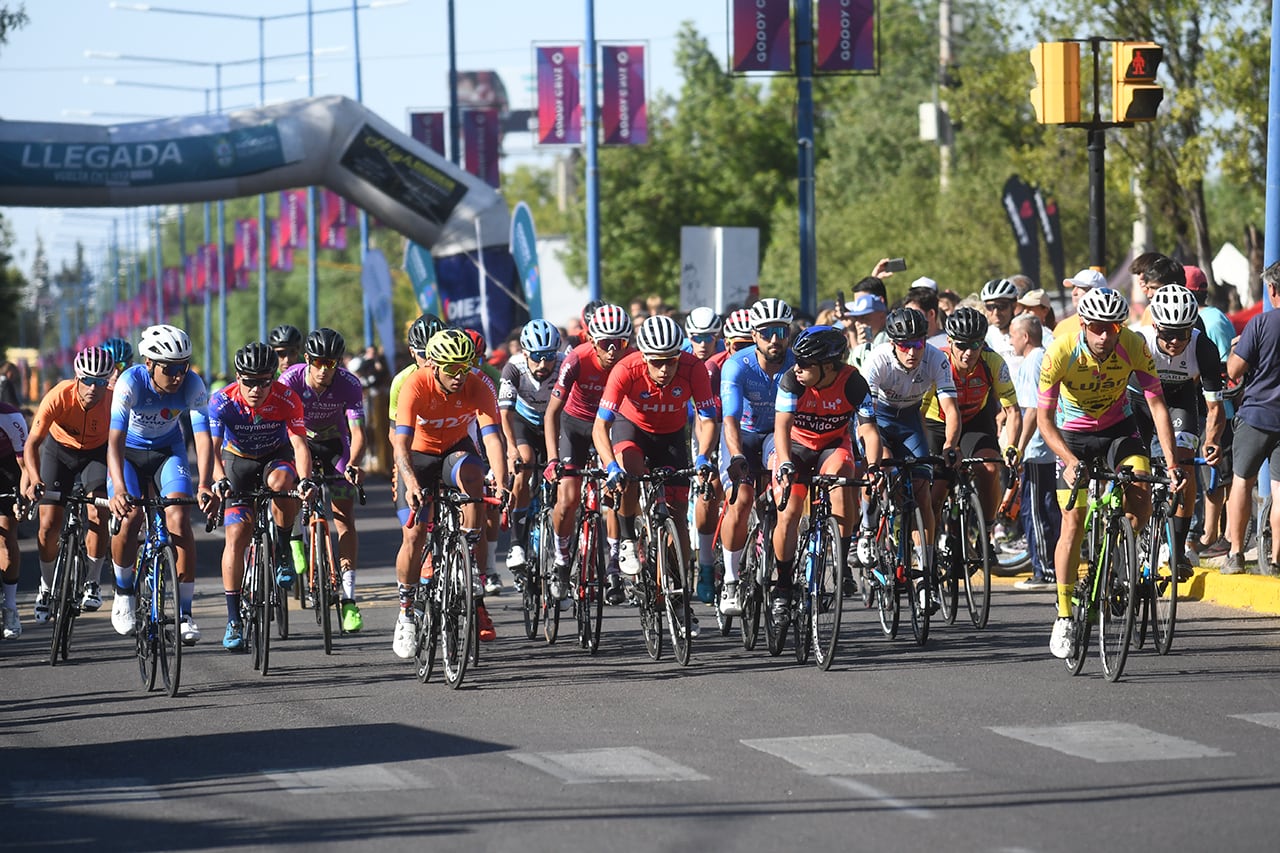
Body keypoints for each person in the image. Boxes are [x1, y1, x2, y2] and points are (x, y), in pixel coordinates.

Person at [1038, 288, 1182, 658]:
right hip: (1072, 437)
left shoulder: (1132, 344)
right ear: (1084, 324)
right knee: (1072, 521)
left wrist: (1172, 461)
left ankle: (1119, 555)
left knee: (1141, 496)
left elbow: (1157, 405)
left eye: (1112, 328)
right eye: (1098, 328)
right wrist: (1069, 461)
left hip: (1119, 430)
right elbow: (1044, 420)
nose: (1105, 336)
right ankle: (1065, 614)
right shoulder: (1061, 351)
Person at [596, 314, 717, 635]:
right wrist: (610, 466)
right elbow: (600, 426)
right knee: (630, 472)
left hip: (673, 437)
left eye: (671, 362)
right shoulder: (626, 369)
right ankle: (626, 538)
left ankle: (678, 600)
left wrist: (703, 456)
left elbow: (707, 420)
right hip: (631, 429)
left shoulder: (693, 368)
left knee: (677, 518)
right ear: (645, 357)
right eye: (658, 363)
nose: (665, 370)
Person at [392, 329, 509, 658]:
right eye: (451, 368)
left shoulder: (478, 382)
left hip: (456, 451)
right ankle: (405, 612)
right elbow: (400, 444)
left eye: (466, 366)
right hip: (419, 456)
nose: (460, 375)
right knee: (413, 536)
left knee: (476, 478)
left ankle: (468, 557)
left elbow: (492, 438)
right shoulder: (415, 385)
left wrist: (501, 481)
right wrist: (412, 482)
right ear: (433, 365)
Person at [106, 324, 215, 646]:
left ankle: (184, 613)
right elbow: (113, 442)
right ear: (150, 363)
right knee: (130, 518)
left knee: (179, 518)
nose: (179, 375)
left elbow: (203, 439)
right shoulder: (130, 382)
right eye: (170, 368)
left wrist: (205, 483)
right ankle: (123, 591)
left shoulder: (193, 384)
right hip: (129, 453)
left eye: (184, 366)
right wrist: (118, 488)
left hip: (168, 451)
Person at [208, 342, 314, 651]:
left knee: (284, 482)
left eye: (264, 381)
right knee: (237, 535)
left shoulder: (286, 398)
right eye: (249, 381)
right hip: (237, 461)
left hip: (273, 456)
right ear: (238, 377)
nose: (256, 388)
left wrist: (305, 481)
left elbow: (299, 445)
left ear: (273, 378)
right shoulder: (222, 401)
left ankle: (281, 547)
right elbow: (212, 450)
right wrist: (218, 480)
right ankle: (233, 620)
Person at [772, 326, 881, 624]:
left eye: (806, 363)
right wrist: (784, 463)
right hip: (795, 446)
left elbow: (869, 430)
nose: (798, 367)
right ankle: (782, 586)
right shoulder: (791, 381)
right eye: (797, 360)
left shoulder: (853, 382)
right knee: (790, 511)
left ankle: (841, 562)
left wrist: (873, 468)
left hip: (833, 445)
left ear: (829, 366)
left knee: (843, 485)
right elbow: (781, 428)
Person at [278, 328, 368, 632]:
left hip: (334, 444)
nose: (324, 370)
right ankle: (292, 539)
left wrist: (354, 463)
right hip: (297, 441)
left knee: (344, 518)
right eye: (319, 362)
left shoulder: (349, 384)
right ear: (307, 359)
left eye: (331, 363)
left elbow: (357, 434)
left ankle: (349, 598)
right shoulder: (289, 380)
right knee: (286, 483)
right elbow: (278, 426)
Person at [544, 304, 632, 606]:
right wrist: (553, 458)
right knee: (568, 499)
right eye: (606, 343)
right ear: (592, 340)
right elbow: (552, 412)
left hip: (610, 426)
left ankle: (612, 566)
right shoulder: (576, 359)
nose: (612, 351)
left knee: (614, 495)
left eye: (619, 343)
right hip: (575, 426)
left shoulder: (631, 362)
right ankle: (561, 558)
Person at [860, 308, 960, 566]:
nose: (913, 352)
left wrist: (951, 444)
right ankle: (868, 528)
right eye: (905, 346)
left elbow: (950, 409)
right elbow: (866, 422)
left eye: (918, 343)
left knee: (921, 492)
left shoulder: (937, 359)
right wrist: (876, 459)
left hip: (909, 419)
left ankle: (924, 563)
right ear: (893, 344)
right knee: (881, 467)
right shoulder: (877, 360)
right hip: (877, 419)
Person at [1135, 285, 1224, 575]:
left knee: (1185, 467)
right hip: (1137, 401)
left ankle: (1178, 547)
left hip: (1179, 398)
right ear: (1156, 326)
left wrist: (1211, 440)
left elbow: (1214, 409)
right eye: (1168, 333)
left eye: (1182, 333)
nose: (1175, 341)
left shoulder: (1204, 348)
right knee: (1136, 471)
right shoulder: (1139, 341)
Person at [22, 347, 113, 626]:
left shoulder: (113, 401)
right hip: (58, 451)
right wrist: (35, 479)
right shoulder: (58, 396)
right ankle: (46, 587)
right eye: (88, 380)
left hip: (96, 454)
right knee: (49, 524)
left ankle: (93, 581)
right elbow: (32, 444)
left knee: (98, 513)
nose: (93, 388)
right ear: (76, 377)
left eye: (101, 382)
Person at [717, 298, 795, 615]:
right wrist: (736, 456)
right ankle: (732, 580)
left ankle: (780, 576)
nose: (775, 339)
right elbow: (730, 420)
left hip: (777, 436)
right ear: (754, 334)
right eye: (766, 332)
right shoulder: (737, 365)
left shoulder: (797, 362)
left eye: (781, 331)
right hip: (744, 436)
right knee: (741, 499)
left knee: (783, 497)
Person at [921, 307, 1022, 541]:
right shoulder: (937, 362)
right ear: (949, 342)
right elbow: (920, 412)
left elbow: (1013, 410)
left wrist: (1012, 446)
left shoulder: (993, 362)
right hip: (938, 424)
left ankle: (987, 532)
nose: (968, 353)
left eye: (975, 345)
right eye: (961, 345)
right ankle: (930, 549)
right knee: (935, 495)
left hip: (975, 420)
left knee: (988, 468)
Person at [499, 319, 565, 594]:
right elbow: (505, 412)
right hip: (524, 423)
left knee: (565, 477)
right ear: (525, 353)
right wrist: (511, 448)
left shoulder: (565, 364)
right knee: (524, 465)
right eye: (537, 357)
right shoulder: (513, 367)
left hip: (556, 422)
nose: (543, 365)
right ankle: (516, 543)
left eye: (548, 357)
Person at [1223, 260, 1280, 575]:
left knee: (1241, 483)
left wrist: (1237, 350)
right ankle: (1276, 562)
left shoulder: (1259, 325)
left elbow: (1233, 371)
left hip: (1256, 415)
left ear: (1272, 290)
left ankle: (1235, 555)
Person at [1009, 315, 1059, 590]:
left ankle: (1044, 569)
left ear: (1025, 337)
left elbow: (1031, 410)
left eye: (1013, 336)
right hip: (1047, 448)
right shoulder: (1044, 357)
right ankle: (1049, 565)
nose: (1010, 340)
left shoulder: (1031, 362)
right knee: (1047, 507)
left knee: (1035, 510)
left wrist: (1019, 445)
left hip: (1038, 448)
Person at [684, 306, 726, 601]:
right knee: (705, 486)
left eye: (709, 337)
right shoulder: (681, 355)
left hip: (720, 420)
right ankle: (704, 563)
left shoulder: (724, 355)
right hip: (687, 420)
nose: (703, 343)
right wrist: (703, 454)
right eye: (697, 337)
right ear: (689, 336)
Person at [0, 396, 26, 639]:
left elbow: (25, 466)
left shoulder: (10, 417)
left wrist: (23, 497)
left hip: (7, 468)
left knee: (6, 539)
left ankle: (10, 607)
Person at [1053, 268, 1108, 341]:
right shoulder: (1062, 327)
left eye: (1080, 287)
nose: (1073, 293)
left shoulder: (1115, 328)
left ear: (1097, 292)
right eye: (1073, 287)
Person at [980, 278, 1021, 370]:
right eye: (990, 307)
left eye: (1001, 306)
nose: (996, 313)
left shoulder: (1029, 331)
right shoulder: (985, 336)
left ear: (1014, 305)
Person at [843, 293, 888, 371]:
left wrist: (867, 348)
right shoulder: (871, 337)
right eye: (856, 318)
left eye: (864, 318)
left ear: (882, 316)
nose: (858, 323)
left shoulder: (887, 338)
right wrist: (861, 347)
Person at [903, 286, 948, 350]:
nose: (910, 318)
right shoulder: (903, 344)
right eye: (907, 313)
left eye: (915, 313)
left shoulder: (948, 343)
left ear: (931, 314)